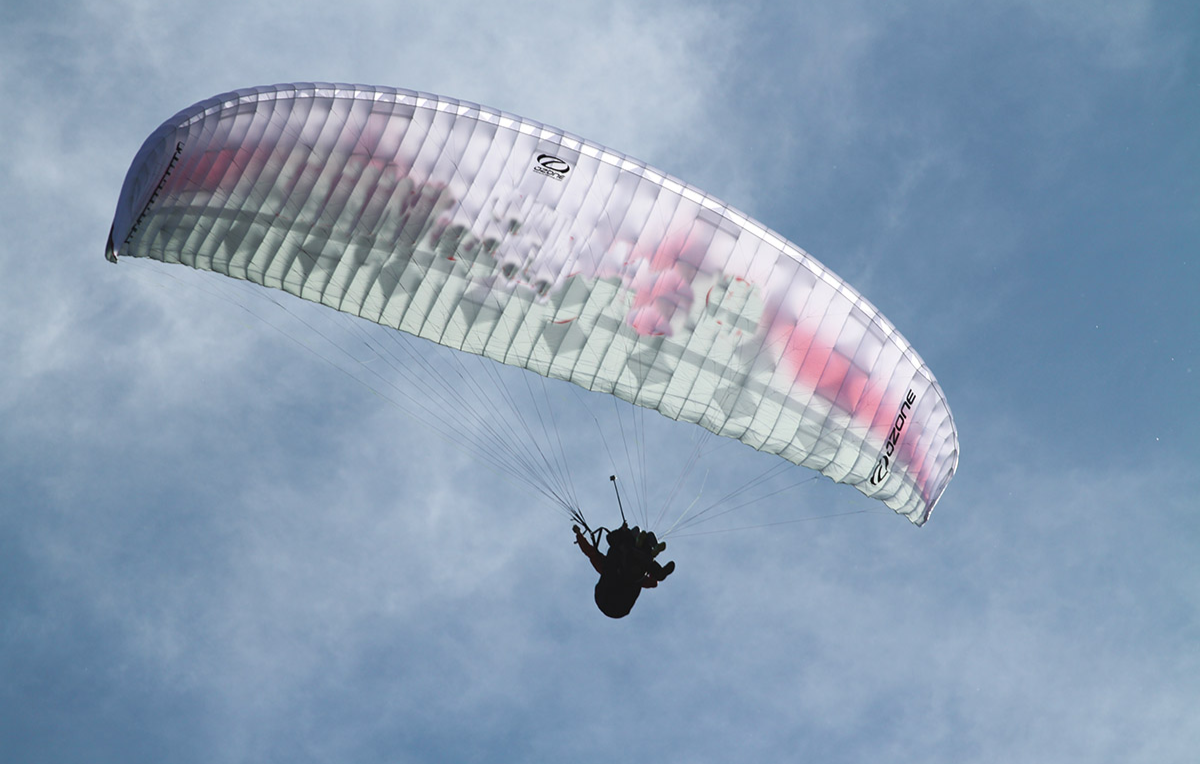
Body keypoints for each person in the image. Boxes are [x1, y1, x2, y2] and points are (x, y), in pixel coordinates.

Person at [573, 523, 675, 618]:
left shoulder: (606, 565)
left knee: (631, 563)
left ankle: (652, 563)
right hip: (616, 594)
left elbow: (590, 552)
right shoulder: (607, 566)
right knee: (636, 565)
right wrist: (579, 535)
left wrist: (579, 535)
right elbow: (590, 552)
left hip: (614, 593)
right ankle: (656, 567)